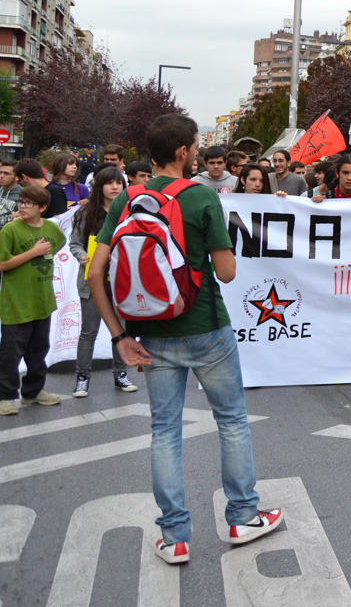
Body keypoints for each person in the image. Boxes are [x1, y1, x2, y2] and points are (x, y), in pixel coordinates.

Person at [86, 113, 283, 564]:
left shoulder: (126, 200)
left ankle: (174, 536)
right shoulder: (201, 199)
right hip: (206, 330)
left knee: (164, 431)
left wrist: (119, 337)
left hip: (149, 336)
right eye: (197, 146)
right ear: (183, 152)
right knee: (231, 421)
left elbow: (96, 273)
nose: (199, 152)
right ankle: (242, 517)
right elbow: (228, 273)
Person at [0, 185, 66, 415]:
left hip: (42, 300)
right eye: (21, 202)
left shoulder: (50, 228)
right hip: (16, 302)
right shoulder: (10, 230)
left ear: (43, 208)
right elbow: (2, 264)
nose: (23, 206)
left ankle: (34, 392)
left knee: (38, 350)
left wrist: (42, 254)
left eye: (29, 203)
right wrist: (33, 253)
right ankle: (6, 396)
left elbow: (59, 243)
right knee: (10, 352)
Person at [68, 167, 134, 396]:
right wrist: (82, 256)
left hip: (121, 281)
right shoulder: (87, 212)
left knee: (122, 331)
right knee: (89, 332)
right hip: (92, 281)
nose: (115, 187)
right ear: (99, 186)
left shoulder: (130, 211)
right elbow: (75, 243)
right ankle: (82, 378)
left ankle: (121, 375)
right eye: (109, 183)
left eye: (119, 183)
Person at [0, 162, 21, 229]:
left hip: (9, 234)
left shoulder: (24, 195)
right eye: (0, 172)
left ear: (17, 177)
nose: (1, 176)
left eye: (6, 173)